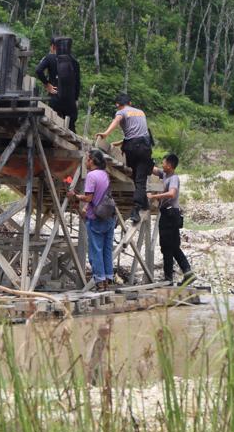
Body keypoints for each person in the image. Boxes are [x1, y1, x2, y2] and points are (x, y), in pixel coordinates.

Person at [95, 93, 154, 223]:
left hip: (131, 149)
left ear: (118, 105)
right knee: (140, 179)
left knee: (136, 178)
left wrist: (105, 134)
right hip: (144, 148)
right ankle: (140, 205)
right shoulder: (140, 112)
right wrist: (121, 142)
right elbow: (139, 132)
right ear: (130, 103)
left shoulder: (121, 112)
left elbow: (116, 122)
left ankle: (139, 207)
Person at [68, 149, 116, 291]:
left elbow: (89, 198)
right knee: (107, 250)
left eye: (87, 159)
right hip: (109, 216)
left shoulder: (91, 176)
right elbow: (101, 195)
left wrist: (75, 196)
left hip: (96, 218)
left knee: (95, 250)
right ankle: (108, 279)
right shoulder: (105, 174)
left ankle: (99, 281)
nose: (85, 162)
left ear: (92, 160)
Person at [149, 153, 193, 285]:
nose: (162, 165)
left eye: (163, 163)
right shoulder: (165, 175)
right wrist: (145, 160)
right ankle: (186, 273)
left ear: (169, 165)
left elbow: (172, 194)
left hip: (170, 214)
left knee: (168, 247)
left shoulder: (173, 178)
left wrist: (155, 197)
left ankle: (170, 278)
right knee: (171, 246)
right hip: (169, 214)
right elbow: (155, 170)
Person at [35, 36, 81, 132]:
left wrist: (47, 84)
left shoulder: (50, 57)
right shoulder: (74, 61)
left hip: (55, 97)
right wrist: (75, 99)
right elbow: (77, 82)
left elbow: (38, 70)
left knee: (52, 125)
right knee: (71, 128)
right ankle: (73, 146)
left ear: (53, 46)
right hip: (70, 101)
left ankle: (50, 145)